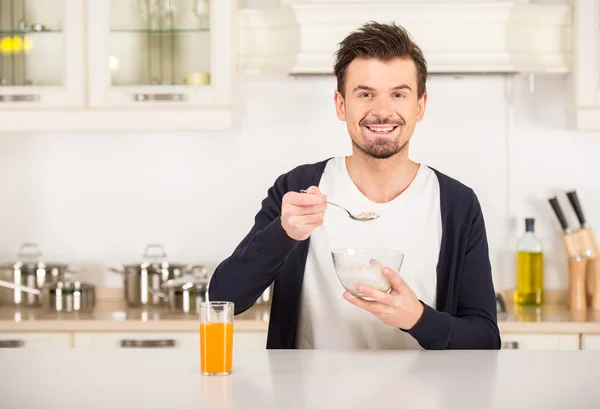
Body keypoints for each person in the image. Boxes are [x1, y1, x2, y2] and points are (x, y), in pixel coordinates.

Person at [208, 21, 500, 350]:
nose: (382, 111)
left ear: (420, 105)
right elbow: (223, 297)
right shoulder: (299, 189)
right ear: (340, 104)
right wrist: (283, 233)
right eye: (365, 94)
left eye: (399, 94)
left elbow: (486, 339)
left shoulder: (457, 203)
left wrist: (417, 318)